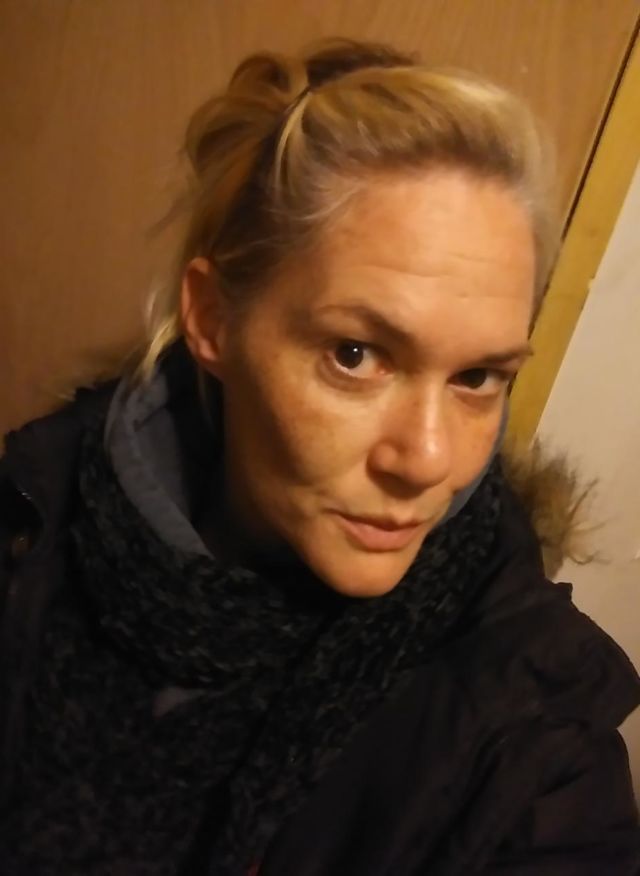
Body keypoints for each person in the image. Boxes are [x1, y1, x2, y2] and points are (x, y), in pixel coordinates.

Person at [0, 38, 639, 876]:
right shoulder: (28, 530)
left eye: (478, 376)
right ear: (213, 318)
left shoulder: (533, 731)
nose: (429, 460)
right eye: (355, 355)